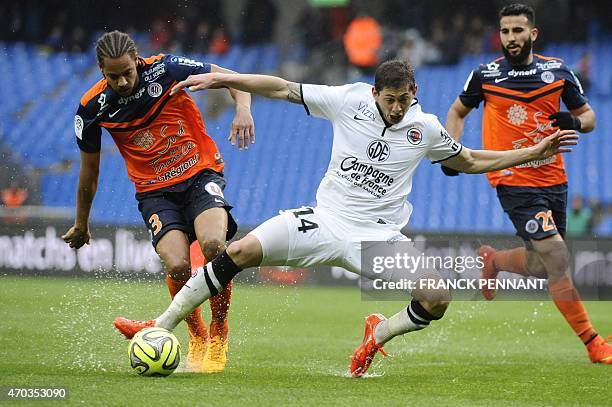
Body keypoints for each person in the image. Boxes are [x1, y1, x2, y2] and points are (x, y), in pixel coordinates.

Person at [114, 59, 577, 377]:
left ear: (414, 94)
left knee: (438, 294)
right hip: (325, 220)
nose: (396, 108)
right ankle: (161, 326)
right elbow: (282, 87)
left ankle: (378, 334)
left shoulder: (427, 129)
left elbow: (470, 161)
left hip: (376, 237)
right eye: (389, 99)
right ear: (375, 92)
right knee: (238, 250)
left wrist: (532, 151)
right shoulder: (349, 99)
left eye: (403, 99)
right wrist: (229, 79)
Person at [62, 30, 255, 373]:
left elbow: (231, 78)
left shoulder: (167, 69)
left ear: (138, 62)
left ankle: (219, 330)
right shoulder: (92, 108)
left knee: (214, 246)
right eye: (113, 76)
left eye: (128, 72)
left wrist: (242, 109)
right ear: (101, 72)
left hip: (199, 174)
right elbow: (88, 175)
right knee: (178, 265)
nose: (122, 81)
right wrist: (82, 223)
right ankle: (196, 335)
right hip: (154, 193)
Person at [444, 4, 611, 364]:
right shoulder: (485, 75)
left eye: (518, 31)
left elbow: (590, 117)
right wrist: (450, 151)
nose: (510, 38)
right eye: (505, 31)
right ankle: (593, 343)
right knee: (557, 256)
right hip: (512, 177)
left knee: (540, 265)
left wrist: (575, 121)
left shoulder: (557, 71)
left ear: (532, 34)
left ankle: (494, 260)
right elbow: (457, 111)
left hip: (554, 177)